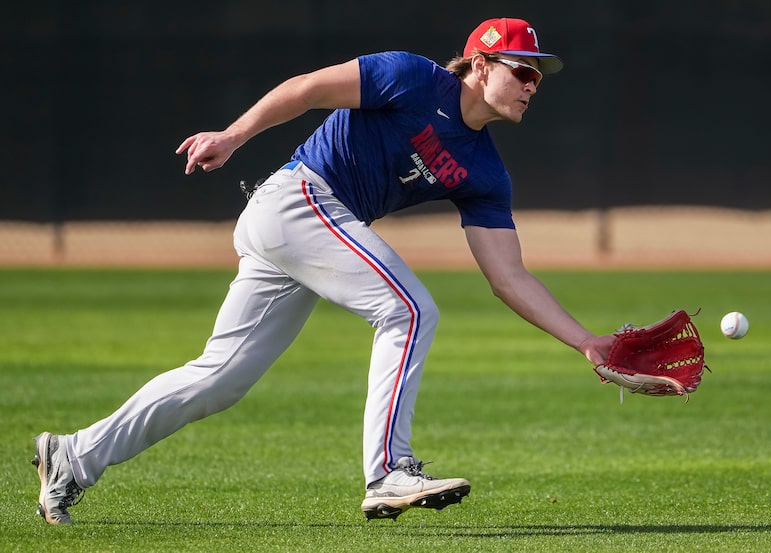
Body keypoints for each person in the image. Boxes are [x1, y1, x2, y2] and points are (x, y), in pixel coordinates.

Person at [32, 17, 615, 525]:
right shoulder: (412, 77)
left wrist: (586, 342)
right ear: (482, 64)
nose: (533, 86)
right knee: (408, 311)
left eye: (539, 77)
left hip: (308, 228)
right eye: (524, 71)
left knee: (220, 379)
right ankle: (388, 472)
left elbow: (508, 276)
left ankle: (73, 456)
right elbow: (309, 89)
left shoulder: (485, 171)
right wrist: (233, 136)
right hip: (300, 199)